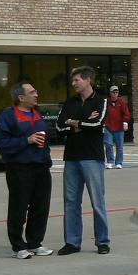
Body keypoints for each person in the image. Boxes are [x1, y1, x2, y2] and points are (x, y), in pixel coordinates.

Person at [0, 81, 54, 258]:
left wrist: (47, 159)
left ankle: (35, 242)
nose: (36, 94)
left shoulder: (37, 114)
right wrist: (25, 141)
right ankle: (18, 245)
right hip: (19, 169)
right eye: (32, 92)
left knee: (40, 207)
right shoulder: (8, 116)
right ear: (21, 97)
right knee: (18, 208)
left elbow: (46, 141)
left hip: (41, 168)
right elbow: (1, 143)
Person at [56, 66, 110, 255]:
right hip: (71, 158)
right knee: (71, 201)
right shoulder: (69, 102)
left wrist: (74, 122)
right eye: (73, 81)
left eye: (76, 80)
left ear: (88, 80)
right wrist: (77, 124)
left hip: (92, 158)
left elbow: (97, 124)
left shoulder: (101, 101)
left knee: (97, 201)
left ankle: (102, 241)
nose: (73, 84)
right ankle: (72, 242)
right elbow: (59, 126)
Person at [103, 85, 131, 169]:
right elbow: (102, 112)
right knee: (108, 145)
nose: (115, 94)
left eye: (116, 92)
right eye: (113, 92)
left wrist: (125, 122)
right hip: (108, 126)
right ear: (110, 93)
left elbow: (126, 113)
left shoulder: (121, 102)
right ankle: (110, 161)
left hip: (119, 127)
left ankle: (119, 162)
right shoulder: (106, 102)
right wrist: (102, 123)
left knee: (119, 146)